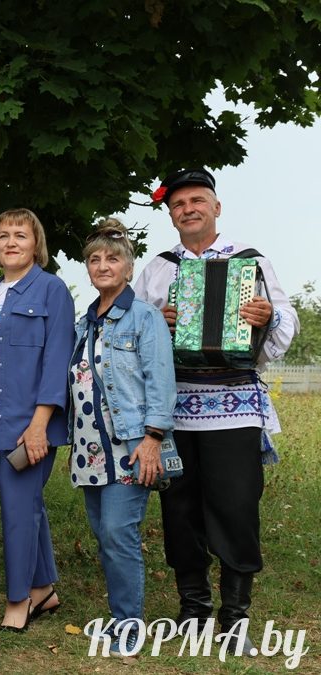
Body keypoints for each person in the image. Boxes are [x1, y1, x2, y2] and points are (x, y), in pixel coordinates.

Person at [135, 167, 299, 653]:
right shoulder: (159, 268)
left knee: (235, 507)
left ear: (216, 207)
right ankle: (193, 610)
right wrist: (154, 321)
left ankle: (235, 617)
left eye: (197, 201)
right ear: (171, 214)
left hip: (235, 406)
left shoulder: (252, 262)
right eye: (178, 204)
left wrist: (266, 316)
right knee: (179, 506)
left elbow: (284, 320)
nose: (188, 210)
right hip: (175, 406)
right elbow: (135, 328)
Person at [69, 221, 176, 655]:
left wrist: (152, 437)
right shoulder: (84, 322)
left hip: (131, 447)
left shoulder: (144, 317)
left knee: (118, 533)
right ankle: (119, 619)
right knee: (105, 534)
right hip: (90, 448)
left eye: (112, 258)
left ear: (129, 268)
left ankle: (129, 626)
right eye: (94, 260)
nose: (102, 265)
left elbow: (161, 382)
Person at [0, 208, 74, 632]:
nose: (11, 242)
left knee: (15, 508)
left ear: (36, 245)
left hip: (31, 416)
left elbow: (56, 359)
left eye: (21, 236)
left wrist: (38, 423)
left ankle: (19, 600)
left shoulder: (51, 290)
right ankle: (44, 588)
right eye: (4, 235)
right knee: (27, 504)